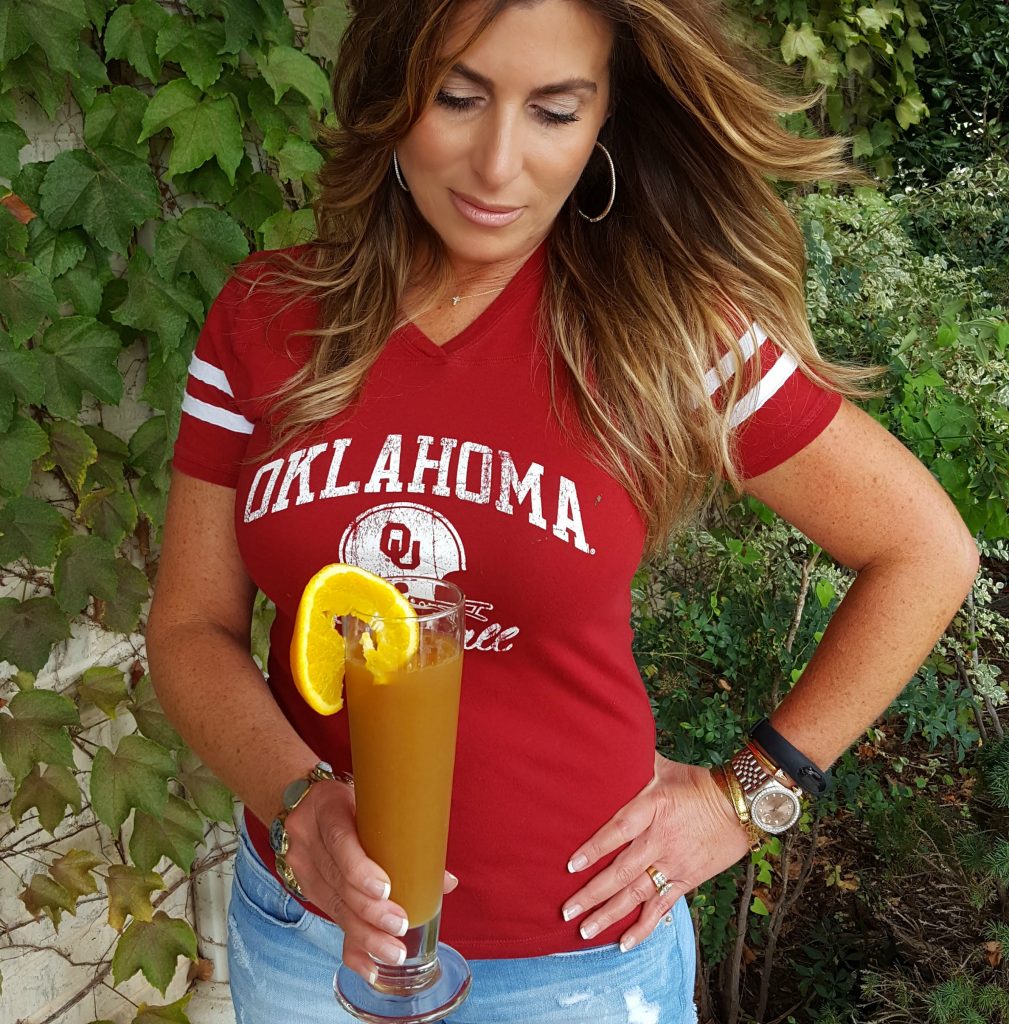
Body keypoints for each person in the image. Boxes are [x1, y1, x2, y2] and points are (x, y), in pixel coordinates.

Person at [146, 1, 979, 1021]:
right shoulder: (265, 315)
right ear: (392, 95)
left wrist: (747, 797)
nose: (497, 165)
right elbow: (190, 627)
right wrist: (298, 805)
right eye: (456, 98)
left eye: (553, 111)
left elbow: (923, 550)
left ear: (603, 122)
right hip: (309, 941)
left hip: (577, 963)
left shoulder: (665, 331)